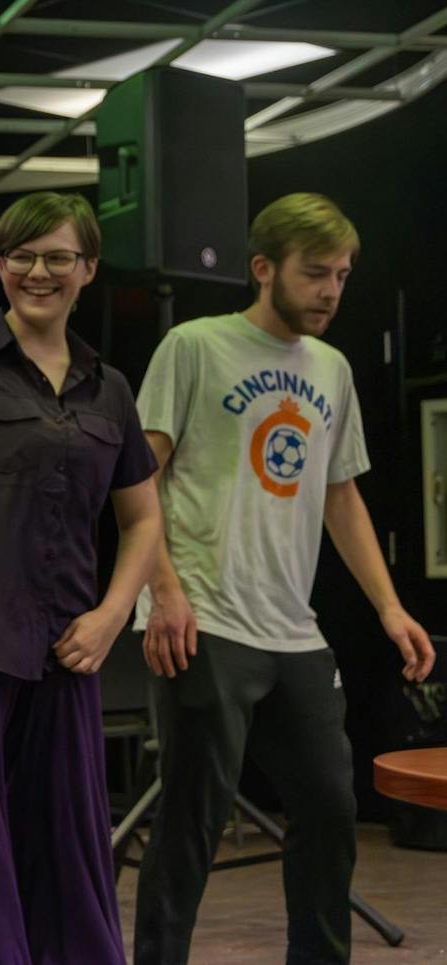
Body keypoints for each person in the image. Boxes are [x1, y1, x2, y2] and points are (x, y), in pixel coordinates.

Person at [132, 192, 435, 964]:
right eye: (315, 273)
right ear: (264, 268)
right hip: (203, 616)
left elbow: (341, 495)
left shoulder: (331, 368)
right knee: (192, 820)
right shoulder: (195, 347)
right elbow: (136, 480)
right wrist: (163, 590)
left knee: (331, 805)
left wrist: (390, 607)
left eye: (342, 275)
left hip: (293, 629)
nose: (331, 290)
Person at [0, 192, 163, 964]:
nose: (38, 271)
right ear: (0, 265)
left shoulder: (110, 387)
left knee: (67, 856)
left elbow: (143, 519)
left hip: (66, 654)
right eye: (21, 255)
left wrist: (113, 614)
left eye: (57, 256)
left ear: (89, 268)